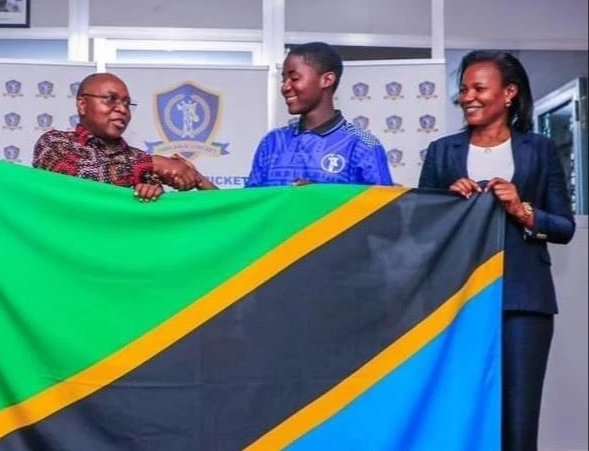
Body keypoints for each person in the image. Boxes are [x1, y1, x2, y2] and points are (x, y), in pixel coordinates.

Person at [419, 50, 575, 450]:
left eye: (478, 88)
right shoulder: (442, 151)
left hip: (523, 303)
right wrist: (446, 201)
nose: (468, 97)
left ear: (508, 93)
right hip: (459, 303)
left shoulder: (538, 149)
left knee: (519, 419)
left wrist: (521, 209)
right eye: (464, 89)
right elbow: (419, 229)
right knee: (459, 413)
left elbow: (563, 227)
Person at [33, 73, 208, 200]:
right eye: (110, 99)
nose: (122, 109)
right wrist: (153, 163)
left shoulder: (137, 158)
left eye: (126, 103)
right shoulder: (54, 143)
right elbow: (78, 178)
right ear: (82, 105)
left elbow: (227, 213)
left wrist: (193, 178)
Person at [245, 42, 393, 188]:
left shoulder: (365, 143)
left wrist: (319, 197)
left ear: (327, 80)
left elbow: (382, 207)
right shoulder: (272, 141)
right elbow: (253, 204)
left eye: (295, 78)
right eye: (284, 80)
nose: (285, 87)